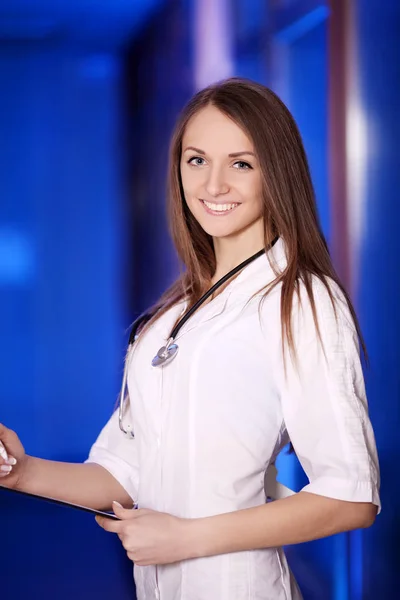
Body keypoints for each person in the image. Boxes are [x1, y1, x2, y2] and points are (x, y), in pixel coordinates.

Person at [0, 78, 380, 600]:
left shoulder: (302, 299)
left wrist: (186, 539)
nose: (213, 184)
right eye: (197, 160)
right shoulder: (173, 314)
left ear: (278, 174)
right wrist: (21, 473)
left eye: (241, 163)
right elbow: (124, 471)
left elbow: (350, 496)